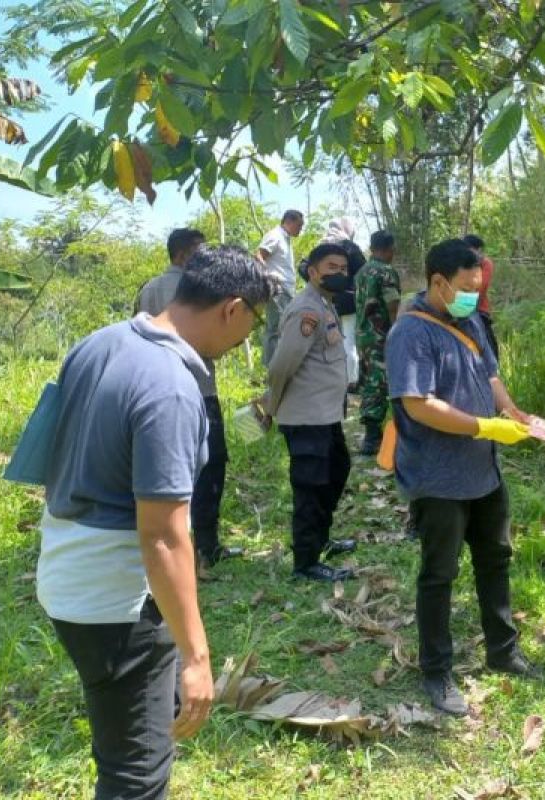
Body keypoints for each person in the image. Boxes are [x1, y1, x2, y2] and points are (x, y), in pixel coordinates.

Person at [37, 245, 272, 799]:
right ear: (232, 309)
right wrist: (197, 657)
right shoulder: (171, 386)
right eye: (253, 324)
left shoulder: (101, 342)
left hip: (65, 571)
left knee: (131, 732)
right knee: (135, 775)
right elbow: (164, 534)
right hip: (118, 600)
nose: (246, 340)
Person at [385, 238, 539, 716]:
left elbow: (489, 376)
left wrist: (509, 410)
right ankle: (437, 670)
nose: (474, 295)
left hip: (484, 471)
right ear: (437, 282)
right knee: (440, 573)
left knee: (495, 557)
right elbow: (417, 404)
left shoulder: (469, 319)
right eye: (466, 288)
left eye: (479, 287)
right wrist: (481, 426)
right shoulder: (411, 334)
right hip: (438, 477)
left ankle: (503, 650)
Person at [135, 228, 242, 572]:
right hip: (199, 389)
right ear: (181, 255)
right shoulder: (200, 290)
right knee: (210, 468)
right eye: (198, 252)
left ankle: (185, 545)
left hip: (155, 388)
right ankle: (205, 546)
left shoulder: (148, 290)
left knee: (167, 474)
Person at [265, 242, 359, 582]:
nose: (339, 274)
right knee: (311, 488)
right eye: (331, 267)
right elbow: (281, 365)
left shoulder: (325, 305)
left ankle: (321, 539)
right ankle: (305, 563)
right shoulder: (306, 309)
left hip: (325, 415)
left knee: (336, 473)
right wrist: (270, 407)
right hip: (306, 419)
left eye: (344, 269)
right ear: (313, 270)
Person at [301, 217, 367, 391]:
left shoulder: (321, 247)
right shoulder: (349, 247)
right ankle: (351, 381)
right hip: (349, 300)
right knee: (349, 341)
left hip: (326, 300)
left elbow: (305, 269)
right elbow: (363, 271)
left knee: (329, 340)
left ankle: (330, 378)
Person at [355, 230, 401, 455]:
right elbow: (392, 305)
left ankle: (372, 433)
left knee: (368, 380)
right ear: (389, 248)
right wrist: (398, 332)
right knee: (379, 383)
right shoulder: (386, 272)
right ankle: (373, 439)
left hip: (363, 335)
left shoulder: (362, 271)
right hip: (381, 335)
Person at [257, 209, 305, 366]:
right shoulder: (275, 235)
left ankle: (279, 366)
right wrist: (269, 278)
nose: (300, 229)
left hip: (286, 290)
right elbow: (258, 256)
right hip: (278, 289)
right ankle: (272, 369)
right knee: (276, 329)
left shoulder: (286, 239)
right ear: (289, 222)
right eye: (299, 225)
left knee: (284, 328)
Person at [462, 233, 499, 360]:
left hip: (478, 309)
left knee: (489, 346)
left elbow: (481, 289)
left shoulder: (485, 264)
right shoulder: (462, 263)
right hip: (460, 307)